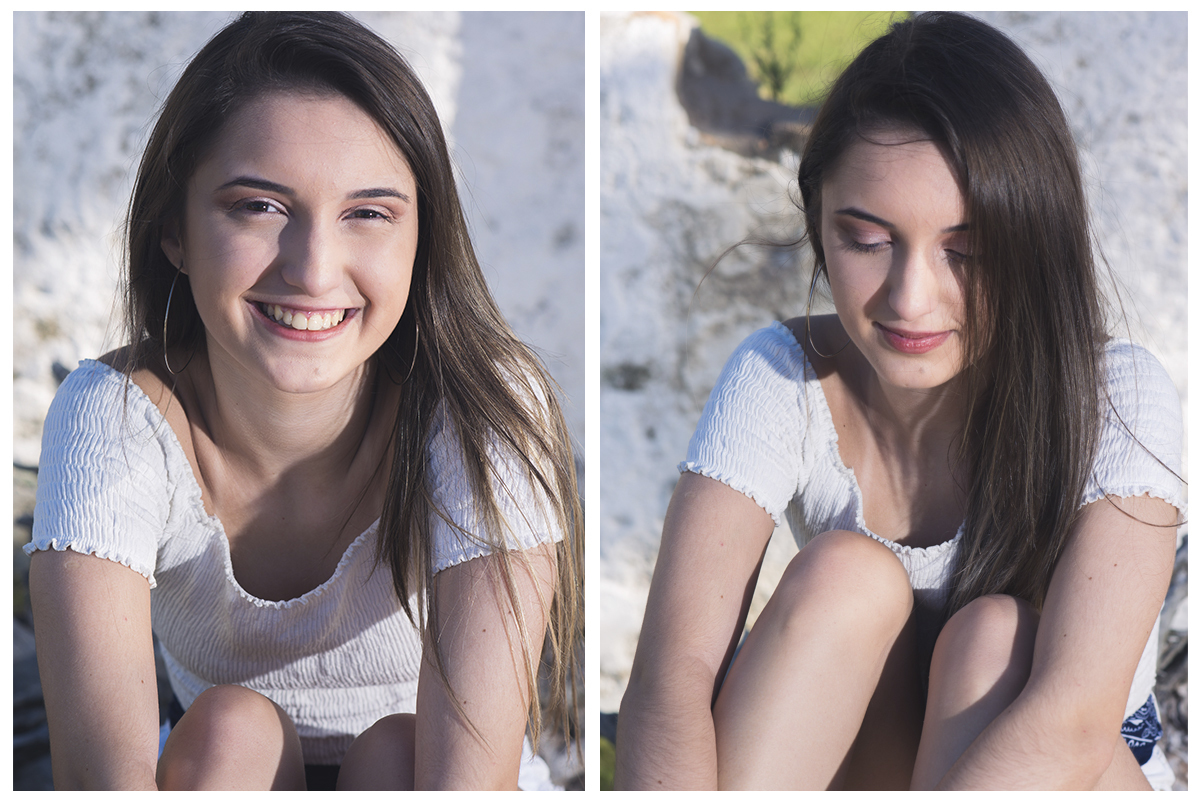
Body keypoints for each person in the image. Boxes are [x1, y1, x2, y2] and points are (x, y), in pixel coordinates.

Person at [615, 11, 1183, 791]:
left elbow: (1073, 726)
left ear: (1033, 238)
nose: (911, 300)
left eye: (967, 250)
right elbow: (669, 683)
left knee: (995, 638)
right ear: (819, 223)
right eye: (868, 240)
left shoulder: (1116, 397)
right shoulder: (780, 379)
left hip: (1068, 772)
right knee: (845, 579)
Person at [26, 11, 582, 791]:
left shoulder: (483, 408)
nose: (315, 271)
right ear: (173, 231)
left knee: (395, 753)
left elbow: (466, 784)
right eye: (259, 206)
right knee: (226, 731)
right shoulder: (112, 420)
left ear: (422, 237)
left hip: (438, 777)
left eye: (368, 213)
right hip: (220, 773)